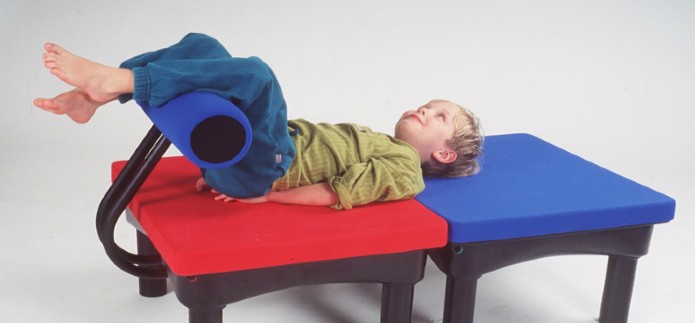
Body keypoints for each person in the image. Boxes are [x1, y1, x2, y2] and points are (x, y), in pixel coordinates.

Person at [34, 33, 483, 209]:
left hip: (268, 168)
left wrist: (264, 197)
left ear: (444, 153)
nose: (423, 109)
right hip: (254, 154)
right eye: (428, 103)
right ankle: (96, 95)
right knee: (202, 46)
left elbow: (337, 193)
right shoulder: (379, 138)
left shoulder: (405, 167)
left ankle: (116, 81)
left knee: (256, 76)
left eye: (438, 115)